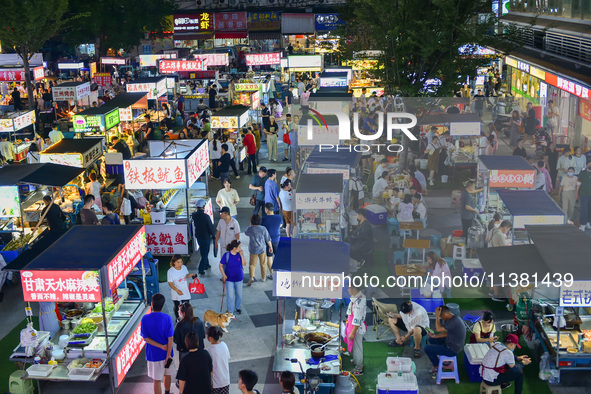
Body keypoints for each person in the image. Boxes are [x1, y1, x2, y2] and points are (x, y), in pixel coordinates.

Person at [141, 294, 174, 394]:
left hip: (153, 355)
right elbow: (170, 338)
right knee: (167, 374)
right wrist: (168, 354)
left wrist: (160, 346)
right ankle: (167, 392)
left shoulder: (145, 319)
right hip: (167, 354)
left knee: (156, 380)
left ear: (152, 304)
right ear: (162, 305)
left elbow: (145, 338)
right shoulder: (167, 318)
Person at [424, 305, 466, 376]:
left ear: (445, 314)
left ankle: (437, 366)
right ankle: (440, 357)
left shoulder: (454, 321)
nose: (441, 318)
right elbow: (448, 333)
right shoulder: (453, 318)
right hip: (450, 341)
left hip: (452, 349)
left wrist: (437, 316)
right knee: (432, 339)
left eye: (441, 316)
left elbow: (439, 329)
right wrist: (436, 336)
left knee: (427, 348)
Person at [245, 214, 273, 286]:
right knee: (263, 263)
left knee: (252, 264)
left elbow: (246, 233)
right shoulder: (263, 228)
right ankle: (263, 278)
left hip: (253, 249)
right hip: (262, 249)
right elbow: (267, 239)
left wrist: (251, 225)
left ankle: (251, 277)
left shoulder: (249, 228)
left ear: (251, 221)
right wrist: (270, 247)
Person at [345, 282, 366, 376]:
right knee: (354, 346)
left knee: (357, 348)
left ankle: (359, 368)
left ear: (354, 289)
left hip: (357, 328)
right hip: (353, 326)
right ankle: (355, 360)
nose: (348, 290)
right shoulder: (357, 296)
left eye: (349, 288)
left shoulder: (359, 302)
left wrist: (352, 333)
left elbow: (357, 320)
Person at [220, 239, 246, 315]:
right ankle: (230, 311)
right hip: (229, 279)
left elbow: (244, 264)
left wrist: (242, 255)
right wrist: (224, 275)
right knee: (230, 296)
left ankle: (237, 307)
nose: (240, 249)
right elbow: (220, 265)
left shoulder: (239, 254)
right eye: (239, 247)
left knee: (239, 295)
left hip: (239, 279)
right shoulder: (226, 255)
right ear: (234, 248)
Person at [167, 254, 194, 321]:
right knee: (177, 306)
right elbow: (170, 283)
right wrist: (177, 290)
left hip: (185, 290)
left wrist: (190, 275)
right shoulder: (170, 271)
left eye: (181, 262)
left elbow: (186, 275)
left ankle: (186, 318)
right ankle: (177, 318)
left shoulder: (184, 267)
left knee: (186, 306)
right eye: (178, 262)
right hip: (176, 292)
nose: (180, 264)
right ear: (174, 262)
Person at [192, 199, 216, 275]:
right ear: (203, 206)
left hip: (198, 236)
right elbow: (210, 227)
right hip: (205, 236)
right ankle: (201, 269)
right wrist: (213, 235)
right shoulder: (206, 216)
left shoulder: (194, 215)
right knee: (205, 253)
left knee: (203, 251)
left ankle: (206, 264)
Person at [207, 326, 231, 394]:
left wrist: (210, 382)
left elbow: (210, 369)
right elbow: (227, 358)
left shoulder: (209, 351)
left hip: (215, 383)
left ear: (210, 338)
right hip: (225, 380)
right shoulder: (224, 345)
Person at [262, 203, 282, 279]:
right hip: (277, 240)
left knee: (269, 257)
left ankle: (272, 274)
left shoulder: (264, 219)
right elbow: (280, 225)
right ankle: (280, 272)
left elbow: (262, 229)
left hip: (268, 241)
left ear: (267, 209)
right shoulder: (279, 217)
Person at [577, 158, 591, 231]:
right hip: (584, 195)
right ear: (586, 165)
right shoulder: (582, 173)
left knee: (589, 210)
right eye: (589, 164)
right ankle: (582, 224)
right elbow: (578, 185)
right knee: (584, 210)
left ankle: (588, 222)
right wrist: (577, 194)